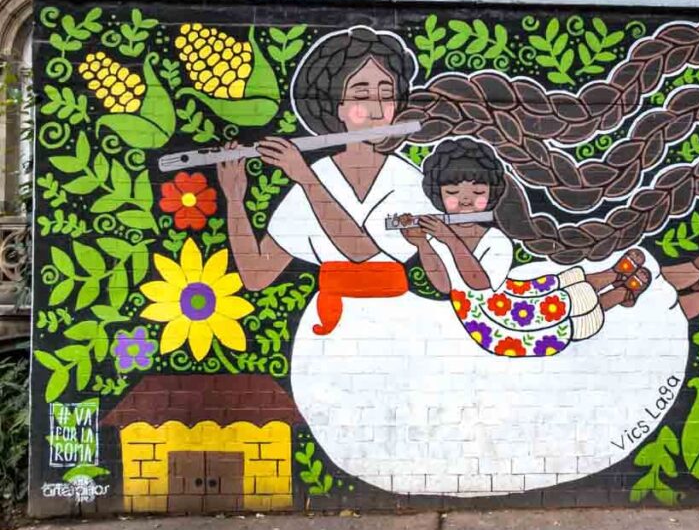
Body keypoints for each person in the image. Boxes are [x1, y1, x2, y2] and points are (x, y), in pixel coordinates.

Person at [216, 26, 436, 335]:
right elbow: (256, 275)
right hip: (329, 324)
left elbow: (361, 253)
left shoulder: (406, 180)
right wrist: (235, 200)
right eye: (361, 94)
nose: (375, 108)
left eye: (386, 95)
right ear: (338, 107)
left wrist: (306, 178)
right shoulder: (318, 174)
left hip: (397, 323)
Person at [399, 140, 654, 357]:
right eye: (453, 192)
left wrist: (451, 239)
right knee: (570, 311)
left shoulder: (495, 240)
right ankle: (622, 293)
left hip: (504, 301)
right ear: (438, 196)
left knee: (556, 286)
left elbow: (479, 282)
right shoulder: (438, 238)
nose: (465, 200)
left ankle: (612, 273)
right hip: (496, 326)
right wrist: (422, 243)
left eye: (477, 191)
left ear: (491, 194)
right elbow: (445, 285)